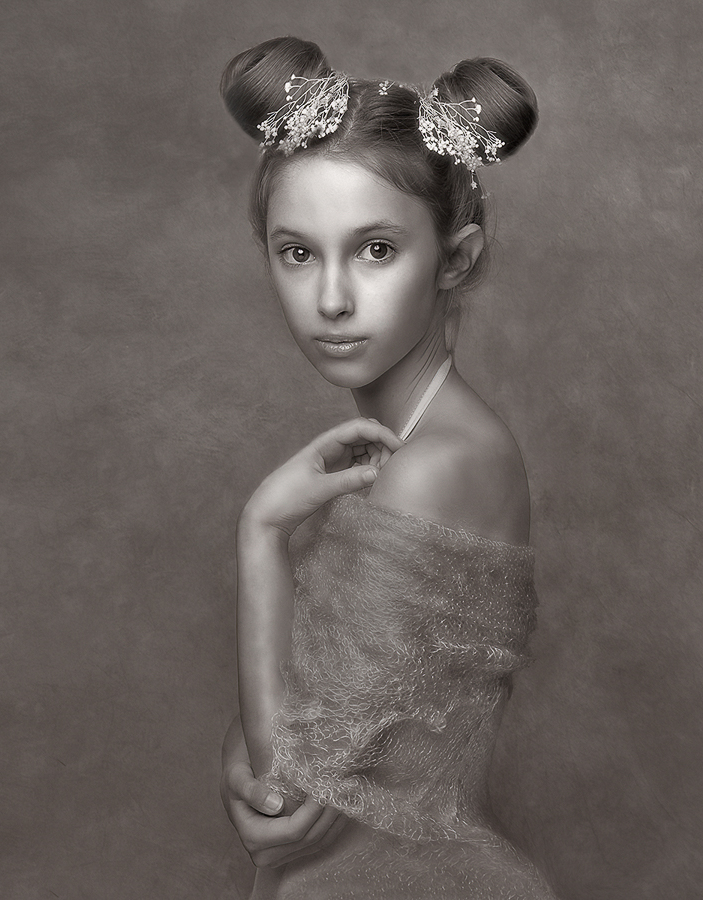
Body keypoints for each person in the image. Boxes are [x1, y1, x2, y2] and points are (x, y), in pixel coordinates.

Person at [219, 36, 557, 899]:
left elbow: (283, 781)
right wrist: (249, 750)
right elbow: (300, 710)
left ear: (455, 258)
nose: (331, 299)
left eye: (375, 249)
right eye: (298, 252)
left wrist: (262, 532)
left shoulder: (439, 465)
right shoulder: (411, 442)